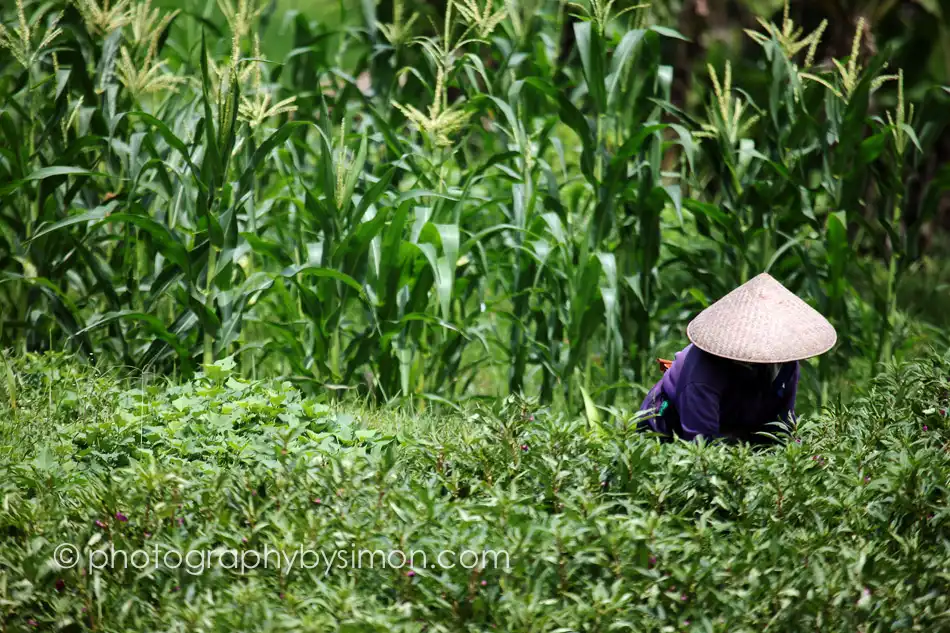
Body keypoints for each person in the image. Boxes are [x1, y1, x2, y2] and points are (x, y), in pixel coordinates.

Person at [639, 273, 836, 443]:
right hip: (666, 428)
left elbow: (782, 426)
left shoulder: (786, 364)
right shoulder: (703, 372)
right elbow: (700, 447)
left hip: (735, 424)